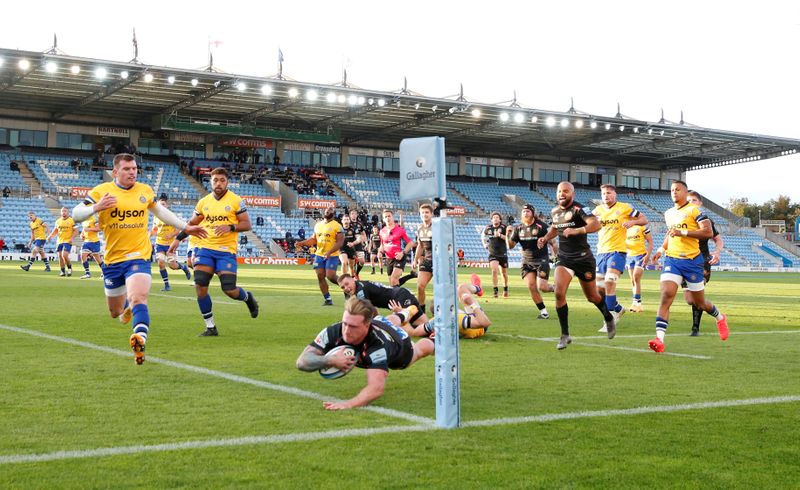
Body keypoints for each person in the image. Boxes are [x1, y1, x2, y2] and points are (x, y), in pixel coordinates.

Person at [72, 153, 206, 364]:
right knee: (115, 312)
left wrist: (186, 227)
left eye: (134, 168)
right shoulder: (102, 192)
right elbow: (76, 214)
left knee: (139, 298)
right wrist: (95, 208)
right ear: (115, 172)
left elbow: (161, 213)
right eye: (127, 169)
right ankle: (125, 309)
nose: (132, 172)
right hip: (113, 260)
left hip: (139, 255)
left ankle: (139, 339)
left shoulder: (144, 191)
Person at [295, 297, 434, 410]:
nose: (346, 331)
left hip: (401, 345)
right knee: (389, 320)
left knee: (420, 349)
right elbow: (302, 362)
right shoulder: (333, 331)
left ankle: (435, 341)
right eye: (345, 323)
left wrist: (348, 404)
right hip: (380, 322)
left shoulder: (378, 348)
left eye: (353, 326)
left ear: (367, 325)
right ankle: (406, 312)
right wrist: (330, 360)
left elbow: (376, 388)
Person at [170, 167, 260, 336]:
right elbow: (191, 223)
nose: (218, 183)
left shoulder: (235, 200)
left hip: (226, 251)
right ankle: (210, 327)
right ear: (210, 182)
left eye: (222, 180)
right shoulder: (204, 202)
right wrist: (177, 239)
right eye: (215, 180)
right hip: (205, 249)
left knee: (229, 289)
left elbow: (247, 224)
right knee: (200, 285)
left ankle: (248, 298)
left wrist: (231, 227)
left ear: (227, 182)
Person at [648, 181, 729, 353]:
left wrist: (683, 232)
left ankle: (720, 317)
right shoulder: (668, 213)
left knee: (698, 303)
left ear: (685, 192)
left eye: (677, 190)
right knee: (666, 295)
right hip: (672, 260)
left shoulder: (695, 211)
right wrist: (660, 250)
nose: (674, 192)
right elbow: (670, 234)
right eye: (671, 190)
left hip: (693, 262)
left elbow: (707, 232)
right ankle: (659, 340)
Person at [536, 182, 617, 350]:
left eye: (565, 191)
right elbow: (554, 228)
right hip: (565, 259)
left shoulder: (580, 209)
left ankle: (608, 317)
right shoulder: (555, 211)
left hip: (583, 259)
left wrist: (576, 231)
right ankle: (565, 335)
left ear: (572, 193)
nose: (561, 194)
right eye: (559, 191)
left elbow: (596, 224)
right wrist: (545, 238)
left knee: (592, 297)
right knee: (559, 292)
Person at [592, 184, 648, 333]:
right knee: (600, 291)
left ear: (614, 194)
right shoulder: (597, 210)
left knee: (610, 282)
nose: (606, 196)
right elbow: (588, 223)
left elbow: (644, 219)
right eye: (603, 193)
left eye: (609, 193)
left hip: (617, 252)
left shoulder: (625, 208)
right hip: (601, 253)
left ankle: (609, 321)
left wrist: (633, 222)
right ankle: (618, 308)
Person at [685, 190, 724, 337]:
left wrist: (717, 252)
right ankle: (717, 314)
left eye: (694, 200)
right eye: (688, 200)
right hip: (684, 260)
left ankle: (695, 328)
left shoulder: (706, 221)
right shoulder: (681, 220)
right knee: (690, 299)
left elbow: (718, 239)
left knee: (697, 296)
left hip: (701, 261)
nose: (691, 203)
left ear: (699, 203)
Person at [506, 204, 555, 320]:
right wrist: (508, 235)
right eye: (523, 211)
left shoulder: (541, 226)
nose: (525, 213)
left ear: (533, 213)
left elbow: (553, 242)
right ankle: (544, 312)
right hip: (526, 262)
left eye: (528, 211)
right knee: (531, 286)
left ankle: (556, 288)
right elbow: (510, 246)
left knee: (542, 287)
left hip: (541, 260)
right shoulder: (518, 229)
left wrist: (555, 256)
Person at [337, 273, 429, 332]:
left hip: (400, 298)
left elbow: (369, 312)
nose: (346, 288)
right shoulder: (360, 286)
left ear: (353, 280)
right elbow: (374, 311)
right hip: (400, 295)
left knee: (396, 328)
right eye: (342, 287)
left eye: (347, 284)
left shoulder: (360, 291)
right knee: (426, 326)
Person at [294, 205, 344, 306]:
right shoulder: (318, 225)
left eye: (330, 210)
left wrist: (329, 252)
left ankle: (347, 287)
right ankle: (328, 299)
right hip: (319, 255)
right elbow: (313, 240)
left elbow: (340, 243)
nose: (327, 210)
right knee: (320, 276)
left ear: (333, 213)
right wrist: (301, 243)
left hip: (332, 255)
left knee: (330, 276)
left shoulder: (338, 226)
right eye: (326, 209)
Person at [149, 197, 192, 291]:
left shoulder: (171, 216)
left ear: (167, 205)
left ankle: (183, 267)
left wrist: (171, 235)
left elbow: (178, 230)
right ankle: (167, 285)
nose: (162, 206)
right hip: (159, 243)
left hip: (170, 244)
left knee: (173, 266)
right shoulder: (156, 217)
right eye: (160, 204)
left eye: (163, 204)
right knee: (161, 263)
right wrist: (149, 234)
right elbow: (155, 229)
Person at [378, 209, 415, 286]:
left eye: (389, 216)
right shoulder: (382, 231)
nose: (387, 218)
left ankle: (399, 296)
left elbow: (410, 243)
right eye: (385, 217)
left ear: (393, 217)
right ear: (383, 219)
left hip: (399, 257)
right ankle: (411, 276)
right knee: (393, 283)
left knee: (393, 279)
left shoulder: (400, 230)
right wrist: (380, 252)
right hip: (389, 259)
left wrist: (403, 253)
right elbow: (382, 244)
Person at [625, 222, 653, 312]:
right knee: (633, 281)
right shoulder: (624, 228)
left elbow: (650, 241)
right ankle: (637, 304)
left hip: (640, 255)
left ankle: (636, 302)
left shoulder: (642, 227)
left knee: (636, 277)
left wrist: (648, 255)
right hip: (629, 256)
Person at [411, 203, 434, 310]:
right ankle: (421, 312)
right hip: (427, 260)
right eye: (422, 212)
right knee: (420, 286)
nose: (425, 214)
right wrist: (415, 260)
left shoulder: (437, 227)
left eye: (427, 212)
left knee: (441, 289)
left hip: (439, 261)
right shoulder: (419, 228)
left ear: (431, 214)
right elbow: (420, 245)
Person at [482, 211, 509, 298]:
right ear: (491, 220)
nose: (495, 219)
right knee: (494, 270)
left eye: (497, 217)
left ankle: (505, 288)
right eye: (494, 217)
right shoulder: (488, 228)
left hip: (502, 253)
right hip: (492, 253)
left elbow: (509, 239)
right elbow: (482, 236)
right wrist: (485, 244)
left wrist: (500, 235)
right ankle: (495, 290)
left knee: (504, 273)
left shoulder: (504, 228)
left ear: (500, 220)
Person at [46, 207, 78, 277]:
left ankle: (69, 268)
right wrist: (50, 236)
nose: (63, 212)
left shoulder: (72, 221)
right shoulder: (58, 221)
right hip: (59, 241)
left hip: (68, 240)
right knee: (60, 256)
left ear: (68, 212)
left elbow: (76, 231)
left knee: (64, 255)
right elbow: (55, 230)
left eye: (65, 211)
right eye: (62, 211)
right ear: (61, 212)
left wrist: (72, 238)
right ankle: (62, 271)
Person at [79, 212, 105, 279]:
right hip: (86, 242)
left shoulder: (94, 219)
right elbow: (83, 230)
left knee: (97, 258)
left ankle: (104, 272)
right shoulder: (84, 221)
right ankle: (87, 273)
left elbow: (99, 229)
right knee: (83, 256)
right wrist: (81, 235)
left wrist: (89, 229)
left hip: (94, 242)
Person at [340, 213, 366, 278]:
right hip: (342, 248)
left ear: (349, 221)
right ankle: (344, 279)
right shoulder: (338, 229)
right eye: (344, 219)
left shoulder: (353, 229)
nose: (346, 221)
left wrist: (353, 243)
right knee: (344, 262)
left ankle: (352, 279)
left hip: (351, 249)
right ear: (342, 221)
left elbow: (359, 238)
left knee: (351, 266)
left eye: (347, 219)